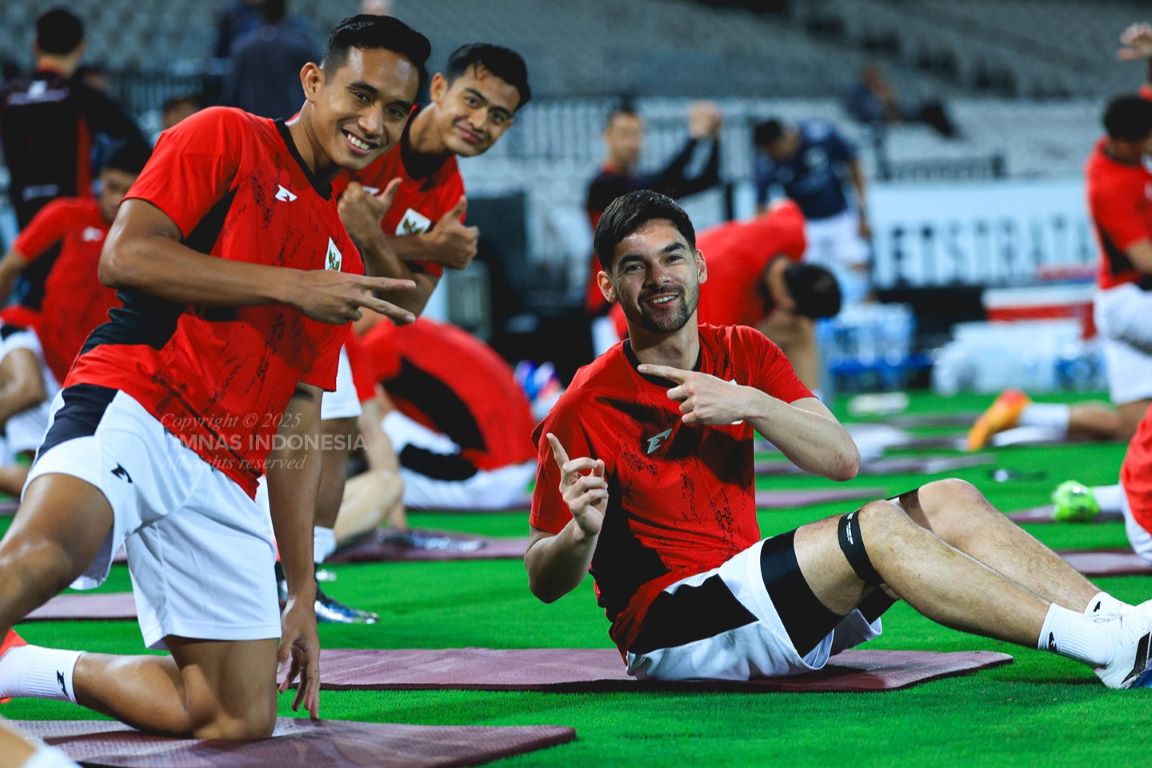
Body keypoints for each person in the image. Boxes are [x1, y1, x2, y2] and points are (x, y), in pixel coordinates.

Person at [525, 189, 1152, 688]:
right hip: (671, 627)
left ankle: (1117, 621)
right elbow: (542, 580)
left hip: (751, 595)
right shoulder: (583, 405)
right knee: (876, 528)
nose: (659, 277)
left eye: (672, 257)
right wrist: (579, 535)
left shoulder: (743, 349)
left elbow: (840, 459)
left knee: (950, 497)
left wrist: (748, 402)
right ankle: (1102, 647)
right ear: (608, 286)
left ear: (700, 264)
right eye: (634, 266)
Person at [0, 14, 429, 737]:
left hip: (226, 467)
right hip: (136, 399)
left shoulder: (340, 250)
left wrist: (300, 590)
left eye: (394, 111)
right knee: (49, 550)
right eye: (359, 95)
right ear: (314, 82)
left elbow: (299, 414)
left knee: (234, 715)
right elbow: (128, 257)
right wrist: (290, 285)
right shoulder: (224, 133)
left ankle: (17, 667)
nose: (373, 122)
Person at [296, 43, 530, 615]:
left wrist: (377, 241)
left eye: (499, 116)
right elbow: (306, 229)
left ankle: (300, 586)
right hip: (271, 309)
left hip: (325, 325)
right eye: (473, 101)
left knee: (338, 437)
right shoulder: (371, 132)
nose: (480, 123)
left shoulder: (450, 195)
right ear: (439, 89)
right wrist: (423, 246)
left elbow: (405, 307)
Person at [968, 96, 1152, 454]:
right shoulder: (1110, 185)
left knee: (1131, 426)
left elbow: (1141, 105)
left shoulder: (1114, 149)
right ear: (1129, 142)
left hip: (1120, 301)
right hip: (1134, 303)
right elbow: (1144, 259)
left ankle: (1025, 413)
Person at [0, 140, 150, 495]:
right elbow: (9, 267)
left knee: (49, 480)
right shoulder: (65, 215)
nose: (117, 199)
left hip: (80, 376)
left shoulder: (152, 240)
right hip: (30, 333)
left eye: (129, 190)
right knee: (27, 388)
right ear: (99, 181)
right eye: (112, 187)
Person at [608, 200, 841, 391]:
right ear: (787, 301)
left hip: (701, 295)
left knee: (798, 331)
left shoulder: (791, 234)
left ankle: (808, 416)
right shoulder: (721, 287)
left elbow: (782, 205)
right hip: (640, 322)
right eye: (795, 313)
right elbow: (702, 358)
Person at [349, 316, 536, 515]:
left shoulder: (378, 343)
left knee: (365, 410)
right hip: (518, 467)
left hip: (484, 476)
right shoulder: (413, 327)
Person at [0, 8, 143, 230]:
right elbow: (136, 141)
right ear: (81, 48)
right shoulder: (82, 95)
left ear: (35, 45)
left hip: (24, 219)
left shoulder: (8, 96)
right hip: (73, 224)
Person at [584, 102, 722, 323]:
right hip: (609, 301)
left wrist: (714, 138)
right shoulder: (602, 185)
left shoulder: (638, 181)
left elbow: (707, 180)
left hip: (642, 294)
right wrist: (695, 137)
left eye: (638, 134)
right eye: (625, 134)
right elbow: (660, 182)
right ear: (607, 136)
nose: (633, 143)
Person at [753, 118, 871, 306]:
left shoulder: (820, 136)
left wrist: (862, 211)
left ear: (782, 139)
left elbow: (853, 160)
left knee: (859, 272)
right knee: (807, 282)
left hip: (840, 217)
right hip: (805, 226)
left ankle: (865, 320)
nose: (772, 154)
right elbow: (761, 206)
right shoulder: (767, 162)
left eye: (773, 149)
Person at [221, 0, 320, 119]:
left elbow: (231, 96)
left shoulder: (244, 47)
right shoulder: (299, 45)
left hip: (254, 123)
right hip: (290, 123)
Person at [844, 62, 956, 138]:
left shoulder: (877, 89)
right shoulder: (859, 92)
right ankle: (950, 135)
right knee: (931, 112)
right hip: (891, 118)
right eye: (873, 75)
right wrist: (887, 115)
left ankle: (950, 133)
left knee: (933, 107)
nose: (877, 78)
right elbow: (868, 112)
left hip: (898, 113)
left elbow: (894, 103)